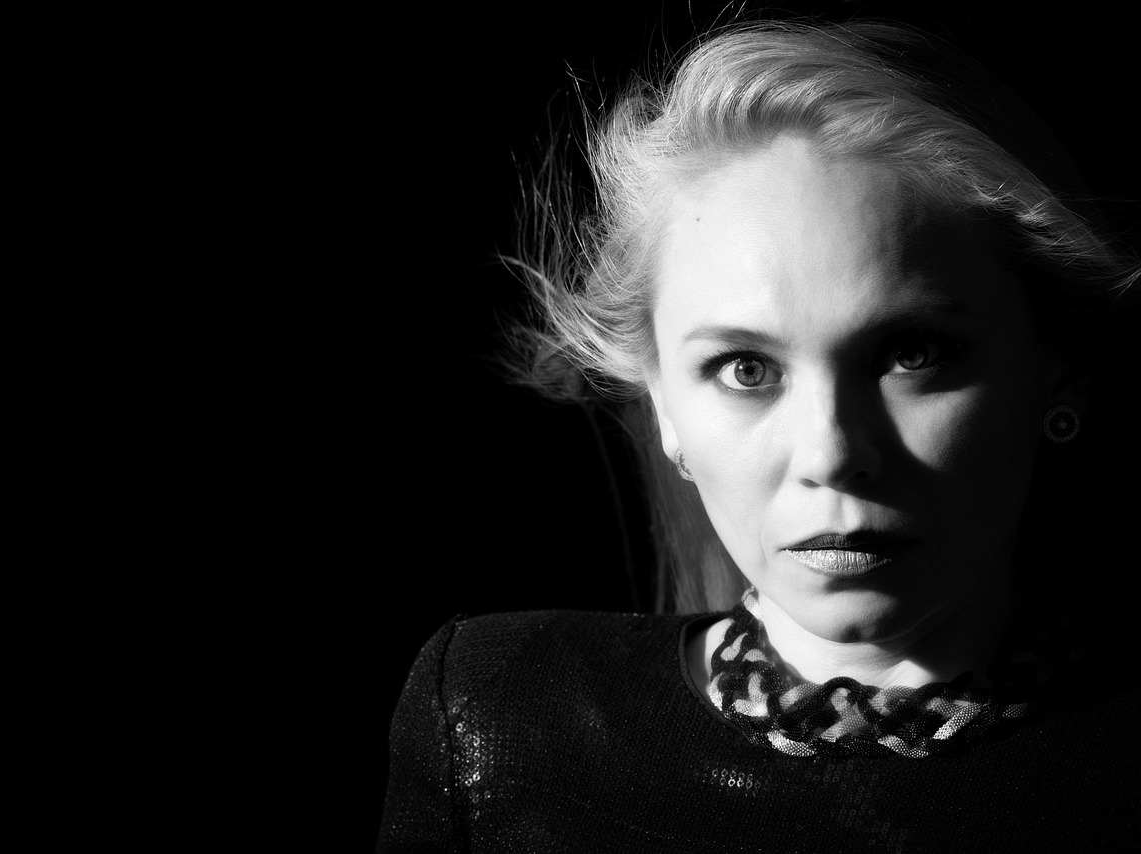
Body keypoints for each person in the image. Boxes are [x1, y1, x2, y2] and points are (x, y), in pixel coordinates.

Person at [378, 18, 1138, 852]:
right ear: (664, 404)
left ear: (1061, 373)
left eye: (912, 354)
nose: (832, 455)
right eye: (746, 369)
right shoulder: (498, 719)